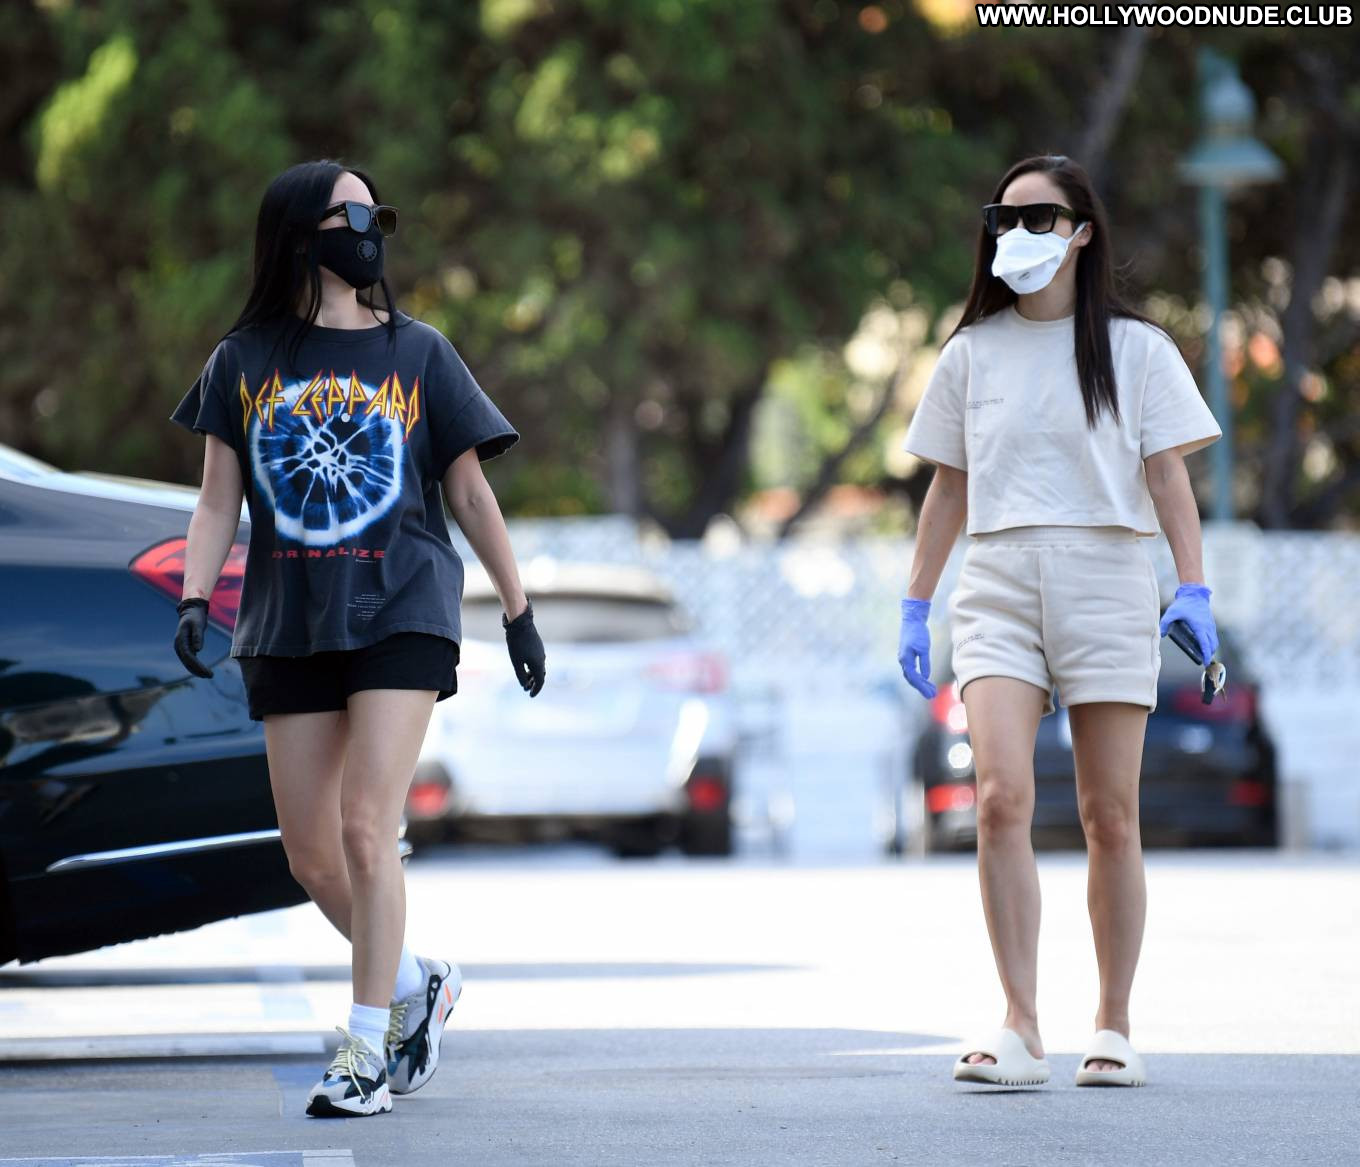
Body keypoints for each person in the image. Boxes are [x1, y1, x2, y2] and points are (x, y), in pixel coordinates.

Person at [169, 159, 547, 1118]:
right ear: (302, 234)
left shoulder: (420, 352)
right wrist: (194, 597)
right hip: (287, 622)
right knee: (310, 854)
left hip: (401, 609)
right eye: (352, 217)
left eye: (379, 216)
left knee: (366, 828)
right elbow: (216, 501)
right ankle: (420, 979)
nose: (371, 232)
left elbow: (470, 493)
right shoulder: (242, 359)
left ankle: (364, 1051)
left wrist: (517, 608)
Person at [896, 154, 1221, 1089]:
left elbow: (1168, 477)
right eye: (1004, 219)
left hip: (1107, 575)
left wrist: (1192, 588)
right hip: (997, 581)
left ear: (1081, 232)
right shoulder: (970, 352)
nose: (1017, 234)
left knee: (1108, 814)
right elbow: (947, 488)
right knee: (999, 797)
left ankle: (1113, 1025)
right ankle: (1020, 1026)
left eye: (1038, 218)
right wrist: (916, 603)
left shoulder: (1137, 349)